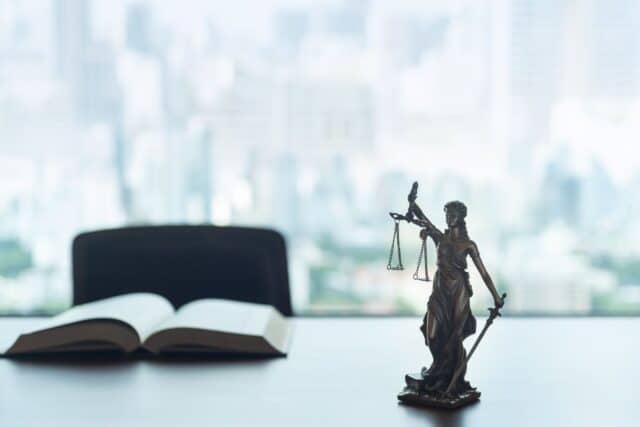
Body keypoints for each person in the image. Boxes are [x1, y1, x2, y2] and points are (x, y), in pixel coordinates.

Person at [407, 199, 504, 394]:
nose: (448, 218)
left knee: (453, 337)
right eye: (447, 214)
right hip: (440, 292)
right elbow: (424, 220)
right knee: (432, 334)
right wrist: (413, 205)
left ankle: (448, 379)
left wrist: (496, 297)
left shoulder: (468, 245)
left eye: (452, 215)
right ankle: (437, 370)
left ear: (461, 218)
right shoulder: (440, 237)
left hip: (458, 292)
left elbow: (484, 273)